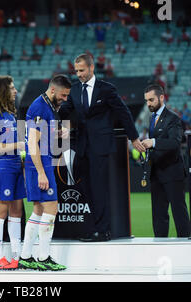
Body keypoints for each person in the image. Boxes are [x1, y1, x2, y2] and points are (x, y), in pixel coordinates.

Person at [59, 53, 145, 242]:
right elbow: (65, 110)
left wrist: (134, 138)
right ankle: (94, 228)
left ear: (91, 68)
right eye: (76, 71)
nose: (79, 74)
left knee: (98, 189)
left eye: (82, 70)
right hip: (82, 148)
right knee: (87, 190)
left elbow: (123, 112)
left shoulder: (106, 89)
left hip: (100, 147)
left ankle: (103, 230)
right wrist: (57, 122)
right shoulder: (73, 91)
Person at [19, 74, 71, 271]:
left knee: (39, 211)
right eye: (64, 95)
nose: (65, 99)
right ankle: (43, 257)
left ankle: (25, 256)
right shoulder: (41, 107)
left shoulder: (46, 105)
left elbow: (39, 136)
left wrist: (55, 133)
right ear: (53, 90)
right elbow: (32, 142)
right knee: (51, 210)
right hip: (40, 163)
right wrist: (41, 172)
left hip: (40, 162)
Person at [0, 75, 26, 270]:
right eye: (11, 88)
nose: (15, 91)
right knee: (0, 211)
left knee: (17, 211)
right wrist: (20, 145)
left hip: (15, 166)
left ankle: (17, 255)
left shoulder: (10, 114)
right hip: (2, 168)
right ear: (2, 91)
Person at [140, 84, 190, 238]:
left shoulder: (173, 118)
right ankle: (160, 245)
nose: (148, 103)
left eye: (151, 100)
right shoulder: (152, 118)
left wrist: (153, 142)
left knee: (178, 211)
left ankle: (186, 245)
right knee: (158, 213)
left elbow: (175, 143)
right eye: (147, 100)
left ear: (161, 97)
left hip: (172, 172)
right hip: (157, 173)